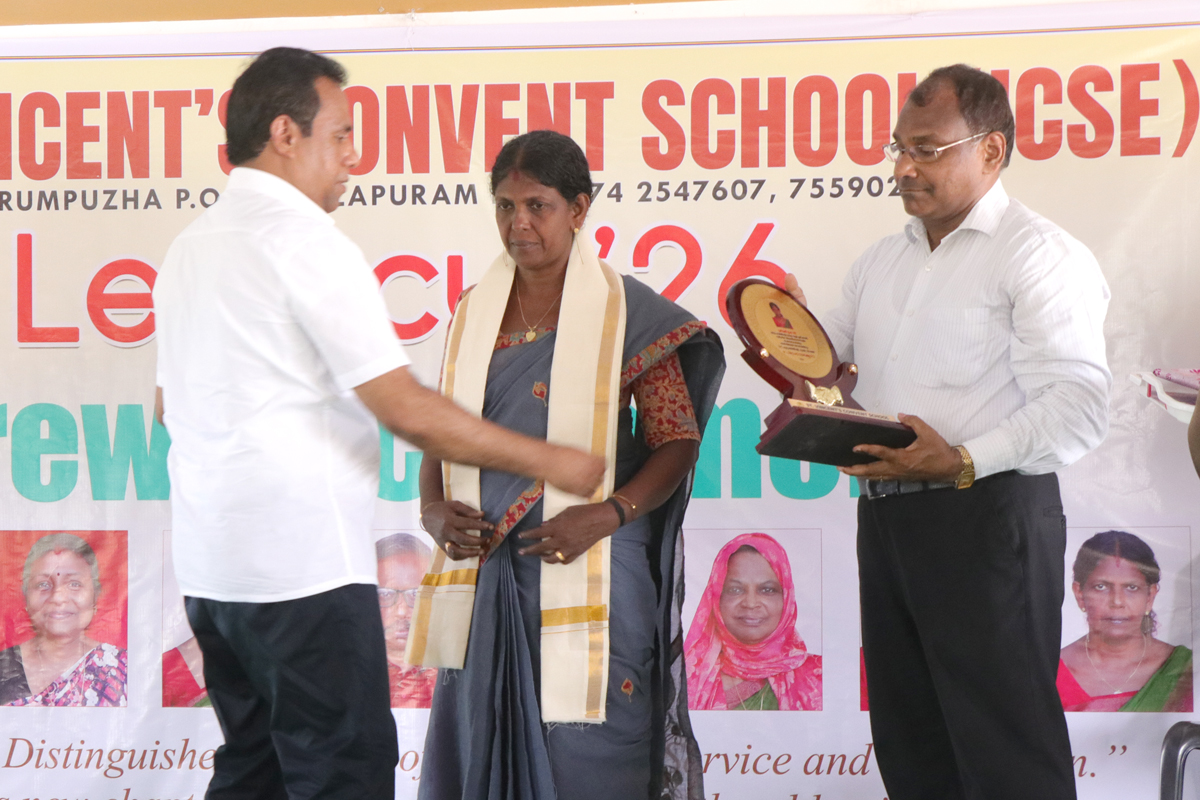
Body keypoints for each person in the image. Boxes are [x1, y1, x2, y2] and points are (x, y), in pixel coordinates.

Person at [152, 49, 605, 800]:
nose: (353, 157)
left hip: (212, 573)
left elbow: (167, 408)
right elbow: (404, 408)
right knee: (344, 776)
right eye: (340, 135)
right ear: (286, 134)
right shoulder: (305, 241)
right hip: (301, 572)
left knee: (254, 770)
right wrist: (550, 460)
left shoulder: (190, 245)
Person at [787, 64, 1110, 800]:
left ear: (991, 150)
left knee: (1006, 756)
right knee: (912, 747)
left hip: (988, 518)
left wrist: (961, 460)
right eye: (899, 148)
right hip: (888, 521)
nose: (904, 168)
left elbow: (1078, 406)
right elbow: (826, 367)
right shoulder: (881, 261)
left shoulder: (1037, 253)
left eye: (927, 149)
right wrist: (787, 332)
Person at [411, 130, 725, 800]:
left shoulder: (629, 314)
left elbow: (676, 438)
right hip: (485, 572)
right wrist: (431, 508)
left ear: (578, 209)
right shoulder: (473, 311)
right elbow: (442, 427)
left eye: (538, 205)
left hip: (596, 566)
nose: (518, 223)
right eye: (505, 206)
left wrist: (610, 514)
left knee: (590, 760)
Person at [1058, 531, 1192, 712]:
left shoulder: (1185, 669)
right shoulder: (1049, 671)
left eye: (1132, 587)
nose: (1117, 601)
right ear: (1080, 594)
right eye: (1101, 587)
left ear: (1150, 596)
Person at [684, 533, 822, 711]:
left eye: (767, 590)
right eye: (735, 590)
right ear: (715, 598)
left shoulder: (819, 677)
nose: (750, 603)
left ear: (787, 599)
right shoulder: (685, 676)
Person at [0, 533, 126, 707]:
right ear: (26, 596)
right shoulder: (3, 668)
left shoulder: (124, 669)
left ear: (95, 596)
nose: (58, 597)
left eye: (74, 584)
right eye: (43, 584)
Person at [375, 533, 438, 708]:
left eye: (415, 594)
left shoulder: (453, 676)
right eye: (386, 594)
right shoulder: (347, 674)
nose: (402, 611)